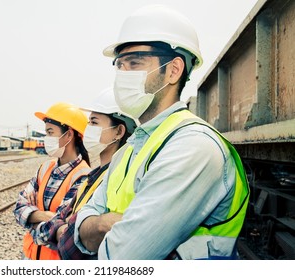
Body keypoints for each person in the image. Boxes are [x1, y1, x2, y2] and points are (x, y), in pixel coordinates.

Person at [75, 5, 250, 260]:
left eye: (134, 63)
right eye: (119, 65)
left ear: (173, 70)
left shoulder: (194, 146)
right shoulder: (127, 152)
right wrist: (103, 224)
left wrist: (99, 225)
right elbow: (82, 234)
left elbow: (122, 258)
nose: (122, 75)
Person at [29, 88, 137, 260]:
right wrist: (61, 227)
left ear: (119, 131)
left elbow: (72, 239)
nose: (87, 130)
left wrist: (62, 229)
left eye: (94, 122)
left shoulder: (117, 177)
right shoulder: (93, 177)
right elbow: (61, 221)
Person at [14, 102, 91, 260]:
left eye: (50, 132)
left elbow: (64, 230)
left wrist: (31, 217)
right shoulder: (45, 167)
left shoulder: (83, 176)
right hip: (29, 256)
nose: (46, 138)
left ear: (68, 135)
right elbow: (19, 207)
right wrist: (45, 217)